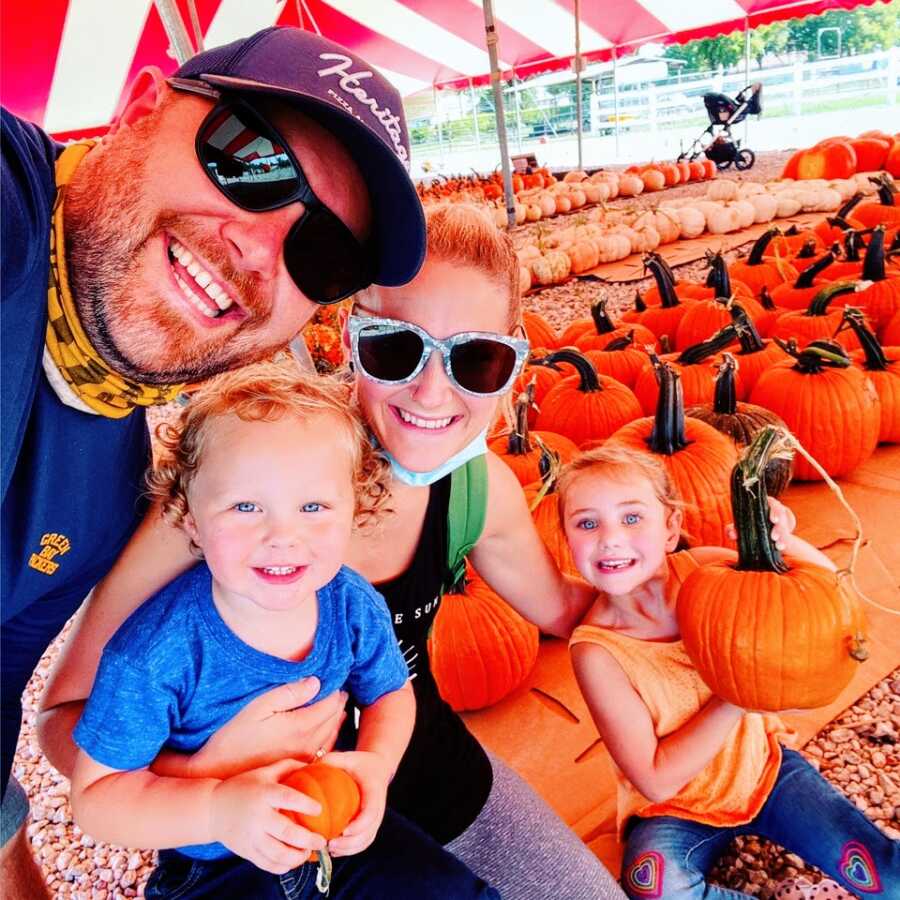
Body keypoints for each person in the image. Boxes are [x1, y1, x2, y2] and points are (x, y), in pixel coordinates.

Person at [42, 204, 625, 898]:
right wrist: (207, 778)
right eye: (396, 348)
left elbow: (567, 611)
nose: (433, 391)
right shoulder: (236, 491)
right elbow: (63, 724)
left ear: (511, 363)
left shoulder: (478, 490)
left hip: (419, 773)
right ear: (352, 336)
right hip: (246, 833)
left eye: (476, 358)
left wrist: (707, 570)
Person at [1, 25, 427, 899]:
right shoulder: (13, 214)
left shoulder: (108, 495)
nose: (262, 246)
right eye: (250, 156)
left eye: (324, 254)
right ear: (141, 107)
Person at [70, 361, 500, 899]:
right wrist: (217, 809)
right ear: (189, 516)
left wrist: (375, 765)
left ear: (354, 509)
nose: (282, 535)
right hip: (219, 858)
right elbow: (98, 799)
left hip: (335, 825)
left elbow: (391, 691)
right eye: (246, 506)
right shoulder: (155, 655)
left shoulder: (349, 602)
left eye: (313, 507)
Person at [560, 443, 900, 899]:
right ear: (566, 541)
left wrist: (782, 543)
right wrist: (738, 689)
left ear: (671, 527)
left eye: (632, 517)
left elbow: (824, 597)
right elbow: (655, 779)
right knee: (655, 888)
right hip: (675, 810)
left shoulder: (705, 572)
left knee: (886, 875)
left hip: (766, 771)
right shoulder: (597, 651)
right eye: (587, 523)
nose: (610, 538)